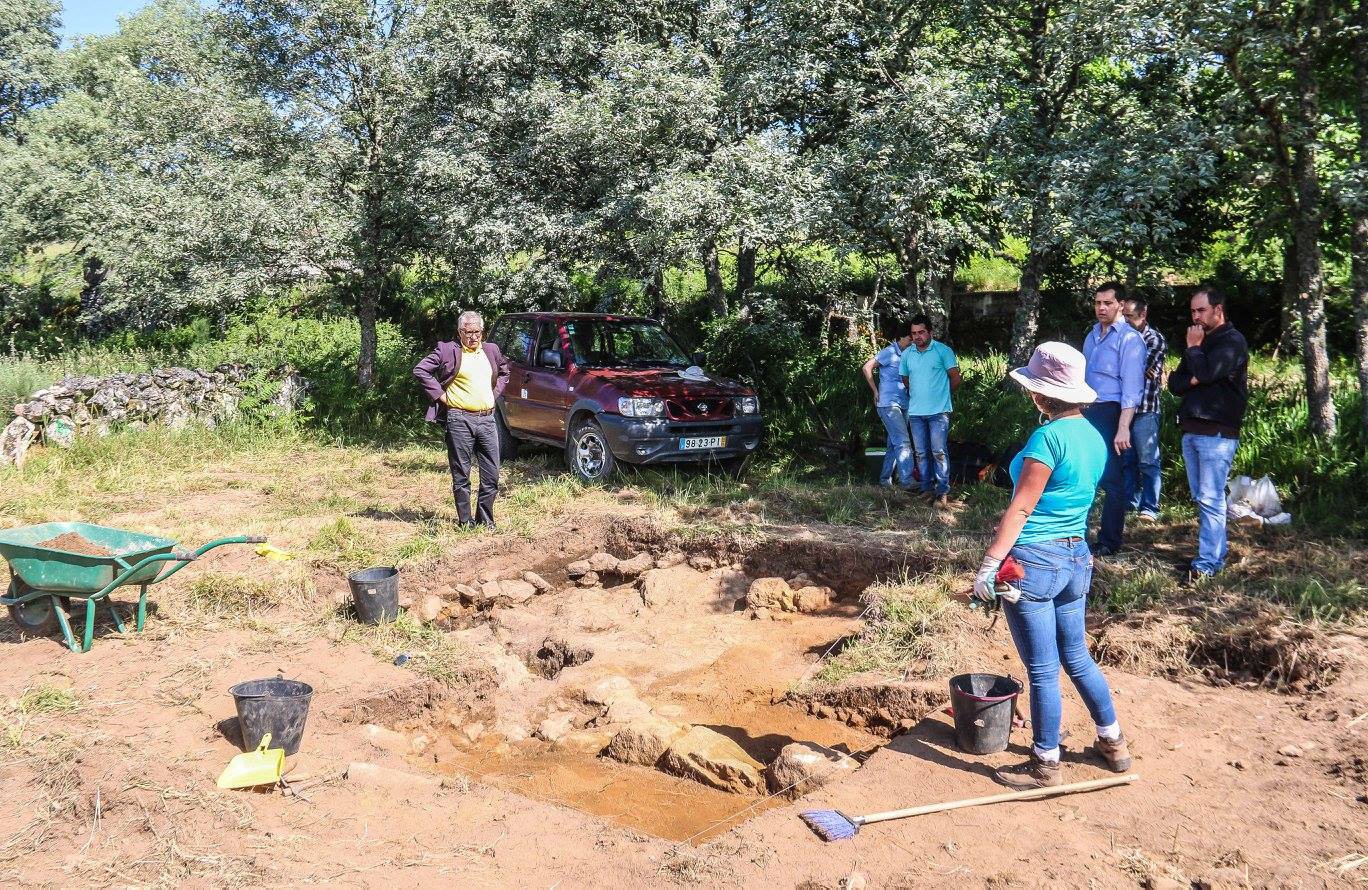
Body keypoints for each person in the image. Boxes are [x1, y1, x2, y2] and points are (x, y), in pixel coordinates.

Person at [974, 342, 1132, 789]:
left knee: (1042, 669)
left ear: (1040, 396)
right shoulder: (1092, 436)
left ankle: (1045, 761)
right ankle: (1113, 741)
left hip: (1035, 560)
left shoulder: (1047, 438)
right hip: (1076, 555)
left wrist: (989, 566)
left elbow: (1022, 509)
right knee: (1077, 656)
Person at [1167, 286, 1248, 581]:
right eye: (1192, 311)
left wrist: (1193, 352)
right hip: (1191, 428)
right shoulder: (1200, 340)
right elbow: (1175, 384)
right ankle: (1212, 556)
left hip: (1217, 433)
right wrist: (1194, 375)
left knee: (1211, 498)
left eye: (1201, 310)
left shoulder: (1232, 341)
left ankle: (1207, 564)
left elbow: (1209, 373)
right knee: (1202, 498)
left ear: (1218, 309)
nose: (1196, 317)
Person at [413, 311, 511, 529]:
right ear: (460, 332)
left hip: (487, 420)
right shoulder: (448, 350)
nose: (473, 337)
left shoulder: (491, 350)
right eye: (468, 333)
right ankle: (465, 522)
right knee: (462, 474)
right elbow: (421, 370)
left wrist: (493, 396)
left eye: (477, 332)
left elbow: (505, 372)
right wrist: (440, 395)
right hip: (459, 419)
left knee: (492, 475)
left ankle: (485, 521)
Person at [1080, 282, 1146, 555]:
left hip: (1111, 411)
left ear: (1120, 305)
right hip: (1087, 409)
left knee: (1111, 479)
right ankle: (1076, 536)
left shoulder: (1130, 339)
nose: (1101, 308)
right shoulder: (1092, 335)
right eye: (1097, 303)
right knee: (1084, 473)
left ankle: (1109, 541)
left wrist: (1123, 428)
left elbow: (1132, 389)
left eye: (1107, 303)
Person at [899, 314, 961, 505]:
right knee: (921, 453)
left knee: (938, 451)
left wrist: (941, 395)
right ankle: (926, 489)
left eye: (921, 332)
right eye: (914, 333)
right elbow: (905, 379)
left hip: (938, 412)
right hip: (916, 412)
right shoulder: (907, 354)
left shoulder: (943, 351)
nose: (918, 336)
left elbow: (955, 377)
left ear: (930, 332)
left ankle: (942, 492)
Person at [1120, 296, 1167, 522]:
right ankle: (1130, 502)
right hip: (1125, 409)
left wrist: (1134, 369)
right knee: (1127, 460)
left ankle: (1150, 506)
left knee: (1148, 460)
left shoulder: (1154, 339)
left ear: (1143, 315)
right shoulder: (1122, 337)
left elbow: (1134, 368)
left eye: (1129, 315)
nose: (1125, 320)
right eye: (1124, 315)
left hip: (1146, 408)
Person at [862, 324, 915, 490]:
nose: (912, 341)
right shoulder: (889, 352)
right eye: (909, 338)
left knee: (894, 443)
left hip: (904, 403)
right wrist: (875, 390)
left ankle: (885, 480)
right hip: (888, 404)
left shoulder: (910, 354)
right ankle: (907, 481)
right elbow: (867, 367)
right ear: (901, 337)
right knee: (903, 441)